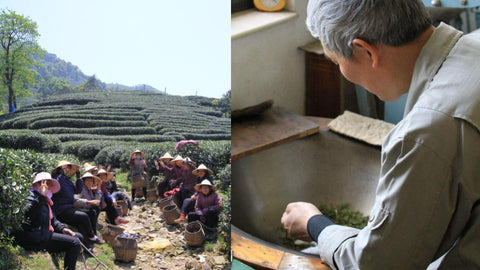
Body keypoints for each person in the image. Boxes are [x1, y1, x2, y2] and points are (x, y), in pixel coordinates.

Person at [281, 1, 480, 269]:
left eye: (337, 61)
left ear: (365, 51)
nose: (342, 71)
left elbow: (377, 263)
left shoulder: (427, 131)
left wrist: (315, 224)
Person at [14, 172, 83, 270]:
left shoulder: (47, 199)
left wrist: (62, 228)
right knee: (75, 243)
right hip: (34, 237)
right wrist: (41, 196)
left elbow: (52, 218)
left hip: (43, 233)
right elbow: (31, 217)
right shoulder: (31, 197)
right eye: (47, 183)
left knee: (78, 237)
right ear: (39, 184)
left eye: (50, 184)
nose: (49, 186)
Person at [51, 160, 104, 250]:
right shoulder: (58, 179)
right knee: (83, 216)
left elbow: (77, 190)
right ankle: (92, 236)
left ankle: (88, 247)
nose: (68, 170)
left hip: (69, 208)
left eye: (69, 168)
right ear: (61, 169)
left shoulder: (68, 181)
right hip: (61, 210)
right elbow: (56, 182)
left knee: (83, 221)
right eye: (66, 168)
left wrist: (78, 176)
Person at [74, 172, 102, 237]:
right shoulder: (81, 189)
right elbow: (75, 201)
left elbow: (97, 202)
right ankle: (93, 234)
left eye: (91, 181)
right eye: (88, 181)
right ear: (84, 181)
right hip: (79, 209)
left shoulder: (89, 190)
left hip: (86, 208)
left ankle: (93, 231)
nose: (90, 182)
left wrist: (98, 191)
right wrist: (88, 202)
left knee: (97, 208)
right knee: (92, 212)